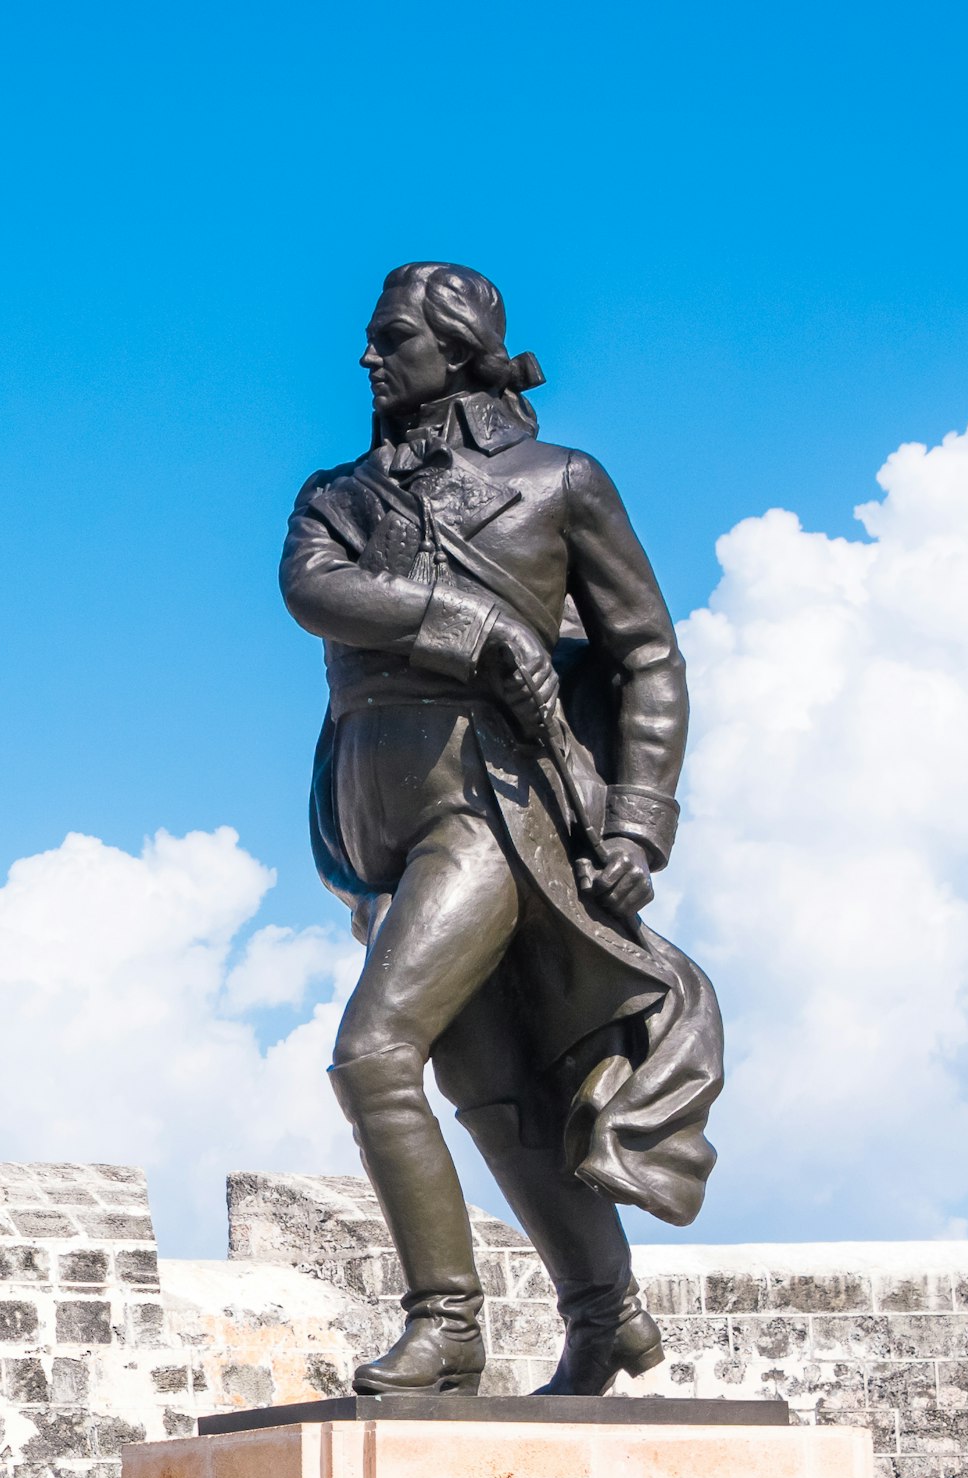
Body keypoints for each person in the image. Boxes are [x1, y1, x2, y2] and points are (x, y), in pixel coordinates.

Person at [279, 262, 726, 1395]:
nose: (370, 360)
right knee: (490, 1089)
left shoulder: (560, 481)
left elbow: (648, 656)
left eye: (392, 339)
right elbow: (312, 589)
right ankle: (604, 1311)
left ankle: (449, 1326)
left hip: (491, 804)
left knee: (374, 1055)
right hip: (375, 816)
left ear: (458, 349)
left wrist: (639, 820)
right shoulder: (337, 496)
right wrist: (465, 616)